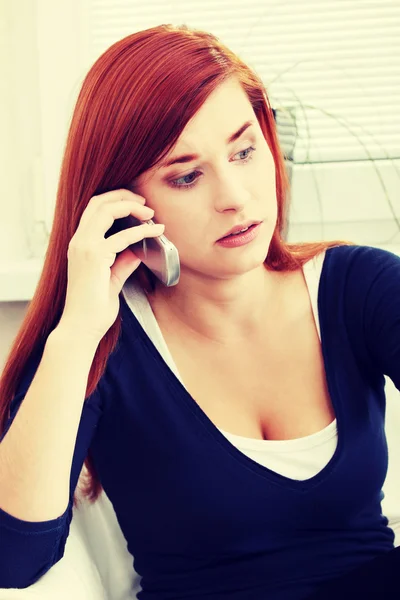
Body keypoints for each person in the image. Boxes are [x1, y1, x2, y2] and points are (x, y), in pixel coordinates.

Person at [0, 23, 399, 600]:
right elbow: (14, 559)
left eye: (244, 150)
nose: (234, 196)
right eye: (186, 176)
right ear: (125, 205)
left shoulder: (358, 287)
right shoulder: (101, 342)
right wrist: (78, 331)